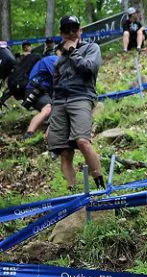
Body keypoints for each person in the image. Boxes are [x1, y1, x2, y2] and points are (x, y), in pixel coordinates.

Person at [47, 16, 105, 191]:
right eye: (67, 30)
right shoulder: (58, 57)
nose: (71, 33)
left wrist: (73, 51)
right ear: (61, 33)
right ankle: (71, 191)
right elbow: (54, 85)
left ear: (80, 30)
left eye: (74, 29)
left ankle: (100, 185)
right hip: (59, 103)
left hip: (81, 97)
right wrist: (51, 114)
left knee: (82, 141)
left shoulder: (91, 48)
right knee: (64, 151)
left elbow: (89, 68)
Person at [22, 50, 60, 139]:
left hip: (42, 91)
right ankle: (28, 134)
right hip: (35, 91)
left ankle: (49, 135)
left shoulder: (55, 60)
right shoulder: (53, 59)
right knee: (48, 108)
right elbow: (59, 78)